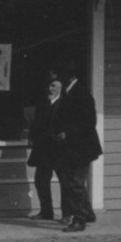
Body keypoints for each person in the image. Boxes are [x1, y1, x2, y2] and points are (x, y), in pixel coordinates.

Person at [54, 56, 103, 232]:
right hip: (73, 147)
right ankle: (87, 212)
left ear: (69, 76)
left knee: (75, 183)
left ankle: (79, 219)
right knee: (73, 182)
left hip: (82, 147)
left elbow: (89, 122)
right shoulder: (69, 93)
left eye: (61, 76)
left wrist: (68, 132)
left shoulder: (81, 93)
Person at [26, 70, 66, 220]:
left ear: (61, 87)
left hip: (60, 150)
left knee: (65, 182)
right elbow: (36, 122)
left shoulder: (66, 103)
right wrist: (32, 136)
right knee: (41, 180)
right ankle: (46, 211)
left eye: (54, 85)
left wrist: (66, 133)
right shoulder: (43, 103)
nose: (50, 89)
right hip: (44, 149)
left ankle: (67, 214)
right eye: (48, 85)